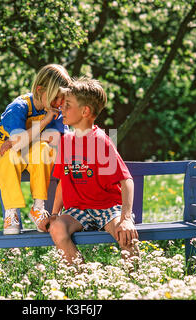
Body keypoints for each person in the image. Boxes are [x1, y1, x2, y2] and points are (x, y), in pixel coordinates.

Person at [43, 77, 139, 264]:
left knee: (126, 236)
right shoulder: (66, 142)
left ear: (85, 111)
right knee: (57, 228)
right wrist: (55, 213)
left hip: (107, 208)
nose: (62, 107)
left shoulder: (101, 141)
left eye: (68, 104)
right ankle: (82, 280)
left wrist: (126, 218)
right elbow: (63, 181)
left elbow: (126, 180)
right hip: (78, 211)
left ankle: (134, 285)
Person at [0, 64, 71, 235]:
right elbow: (16, 144)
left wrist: (27, 138)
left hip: (30, 148)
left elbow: (60, 141)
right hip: (1, 146)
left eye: (63, 99)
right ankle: (11, 213)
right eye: (56, 98)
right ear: (40, 90)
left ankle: (38, 208)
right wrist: (44, 123)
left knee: (44, 151)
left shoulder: (55, 111)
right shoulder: (18, 107)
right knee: (9, 158)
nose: (59, 104)